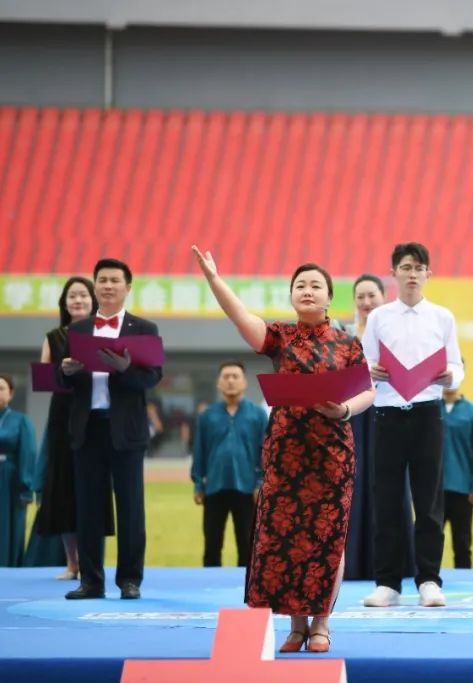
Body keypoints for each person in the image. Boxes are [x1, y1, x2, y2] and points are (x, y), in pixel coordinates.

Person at [194, 245, 374, 653]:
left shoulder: (348, 343)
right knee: (287, 537)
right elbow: (241, 319)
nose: (307, 291)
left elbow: (368, 392)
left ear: (329, 296)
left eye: (315, 285)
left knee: (327, 537)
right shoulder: (280, 337)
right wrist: (214, 280)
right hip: (286, 453)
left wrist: (343, 410)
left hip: (332, 454)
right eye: (300, 285)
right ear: (292, 294)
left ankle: (322, 623)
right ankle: (295, 625)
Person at [361, 242, 464, 609]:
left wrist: (450, 375)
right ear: (394, 273)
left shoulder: (442, 317)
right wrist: (370, 371)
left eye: (419, 268)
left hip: (426, 414)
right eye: (406, 267)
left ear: (428, 274)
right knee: (387, 500)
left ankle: (429, 580)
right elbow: (364, 363)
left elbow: (457, 367)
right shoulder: (379, 318)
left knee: (429, 501)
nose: (412, 274)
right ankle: (387, 582)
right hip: (388, 415)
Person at [59, 258, 163, 601]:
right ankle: (91, 581)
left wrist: (126, 368)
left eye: (114, 280)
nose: (107, 285)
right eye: (101, 280)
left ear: (127, 287)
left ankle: (129, 580)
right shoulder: (78, 330)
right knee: (88, 506)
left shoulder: (144, 329)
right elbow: (62, 381)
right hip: (87, 427)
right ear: (95, 285)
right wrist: (67, 372)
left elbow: (152, 377)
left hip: (126, 430)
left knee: (131, 507)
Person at [32, 276, 114, 578]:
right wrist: (62, 372)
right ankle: (72, 563)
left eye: (83, 295)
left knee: (92, 488)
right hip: (62, 417)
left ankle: (93, 562)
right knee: (63, 487)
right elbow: (44, 380)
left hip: (94, 416)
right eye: (72, 297)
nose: (77, 301)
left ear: (93, 301)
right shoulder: (53, 336)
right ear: (64, 304)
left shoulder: (103, 334)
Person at [342, 274, 415, 581]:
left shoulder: (399, 331)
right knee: (353, 485)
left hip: (390, 414)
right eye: (360, 296)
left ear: (384, 297)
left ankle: (394, 565)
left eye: (371, 295)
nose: (366, 302)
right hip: (353, 418)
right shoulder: (342, 335)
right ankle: (353, 564)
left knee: (392, 486)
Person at [191, 361, 267, 568]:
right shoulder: (207, 416)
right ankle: (209, 589)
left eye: (235, 376)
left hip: (248, 488)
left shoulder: (258, 415)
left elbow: (266, 452)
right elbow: (200, 451)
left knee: (247, 545)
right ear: (218, 383)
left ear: (244, 382)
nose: (231, 381)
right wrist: (198, 483)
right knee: (212, 545)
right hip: (214, 487)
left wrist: (261, 483)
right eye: (226, 377)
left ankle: (244, 592)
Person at [442, 374, 473, 569]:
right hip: (432, 489)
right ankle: (426, 580)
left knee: (462, 542)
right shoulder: (429, 409)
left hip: (463, 490)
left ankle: (465, 582)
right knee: (428, 540)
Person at [0, 375, 36, 567]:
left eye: (1, 388)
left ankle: (8, 565)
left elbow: (28, 454)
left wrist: (26, 487)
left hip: (9, 480)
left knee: (7, 526)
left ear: (11, 394)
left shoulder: (20, 421)